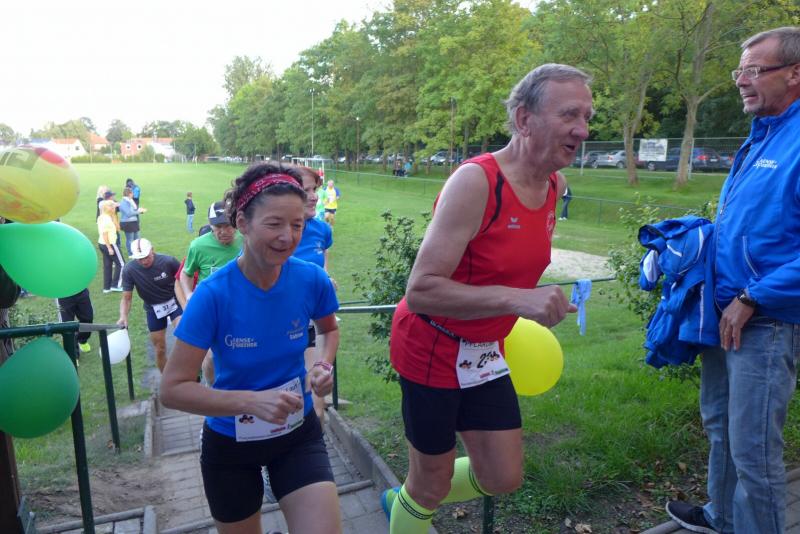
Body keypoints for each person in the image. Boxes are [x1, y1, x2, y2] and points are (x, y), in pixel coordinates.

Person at [381, 63, 589, 533]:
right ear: (524, 119)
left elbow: (506, 266)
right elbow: (421, 290)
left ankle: (406, 499)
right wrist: (518, 300)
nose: (582, 129)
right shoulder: (477, 181)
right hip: (431, 343)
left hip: (484, 350)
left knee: (502, 476)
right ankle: (414, 499)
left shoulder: (554, 185)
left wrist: (527, 299)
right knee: (431, 482)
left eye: (586, 116)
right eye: (569, 114)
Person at [665, 27, 800, 534]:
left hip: (766, 319)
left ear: (795, 73)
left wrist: (752, 296)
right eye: (738, 71)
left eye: (753, 70)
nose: (741, 80)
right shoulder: (762, 134)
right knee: (719, 425)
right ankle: (721, 517)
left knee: (754, 451)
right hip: (726, 312)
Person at [161, 162, 342, 534]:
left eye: (297, 225)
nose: (287, 237)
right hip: (230, 445)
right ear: (242, 222)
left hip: (297, 433)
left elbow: (329, 330)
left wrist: (323, 365)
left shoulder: (311, 279)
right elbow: (172, 389)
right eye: (274, 224)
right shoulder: (212, 295)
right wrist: (251, 402)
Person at [180, 201, 243, 384]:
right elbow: (186, 273)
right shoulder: (198, 246)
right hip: (210, 308)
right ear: (210, 225)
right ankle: (212, 390)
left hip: (241, 306)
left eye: (228, 226)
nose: (223, 231)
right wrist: (189, 295)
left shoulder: (246, 240)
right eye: (218, 227)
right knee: (209, 358)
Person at [293, 166, 335, 426]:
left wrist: (325, 279)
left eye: (314, 190)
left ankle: (316, 432)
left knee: (315, 398)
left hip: (314, 320)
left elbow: (323, 259)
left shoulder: (322, 229)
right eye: (305, 190)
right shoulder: (277, 232)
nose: (314, 196)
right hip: (278, 322)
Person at [118, 238, 183, 372]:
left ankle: (189, 372)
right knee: (160, 348)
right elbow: (126, 298)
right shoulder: (129, 270)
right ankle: (166, 379)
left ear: (152, 250)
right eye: (139, 259)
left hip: (174, 302)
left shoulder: (168, 261)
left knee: (184, 337)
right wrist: (123, 316)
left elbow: (185, 280)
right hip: (153, 309)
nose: (144, 261)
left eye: (146, 257)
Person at [97, 199, 125, 293]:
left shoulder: (106, 217)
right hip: (110, 244)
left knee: (108, 265)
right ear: (109, 208)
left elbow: (118, 228)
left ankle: (107, 288)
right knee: (121, 264)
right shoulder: (105, 219)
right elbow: (105, 234)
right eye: (113, 207)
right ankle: (116, 285)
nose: (115, 208)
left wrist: (114, 216)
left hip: (102, 244)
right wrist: (109, 248)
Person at [56, 289, 94, 354]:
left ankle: (82, 340)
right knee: (67, 325)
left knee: (88, 318)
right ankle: (74, 353)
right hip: (63, 294)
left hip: (80, 290)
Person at [119, 187, 146, 257]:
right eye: (132, 193)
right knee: (130, 240)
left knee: (137, 238)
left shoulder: (130, 201)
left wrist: (139, 210)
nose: (133, 194)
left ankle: (137, 252)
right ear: (129, 193)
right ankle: (131, 254)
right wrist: (139, 211)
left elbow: (133, 210)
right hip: (127, 223)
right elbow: (128, 213)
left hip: (134, 222)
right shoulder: (124, 202)